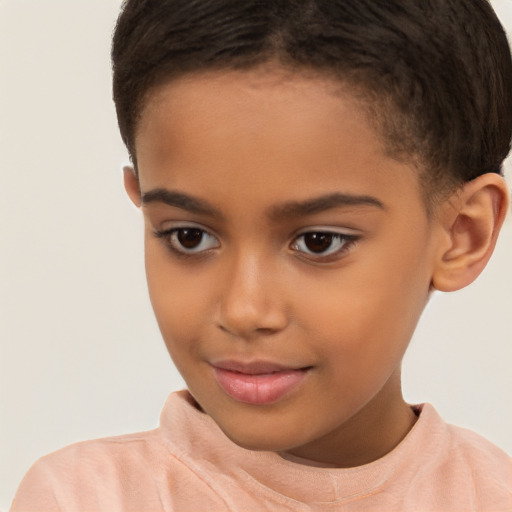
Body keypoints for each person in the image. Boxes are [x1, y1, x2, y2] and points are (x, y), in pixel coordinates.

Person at [10, 0, 512, 510]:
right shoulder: (83, 499)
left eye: (319, 241)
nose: (244, 310)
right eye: (189, 236)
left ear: (461, 234)